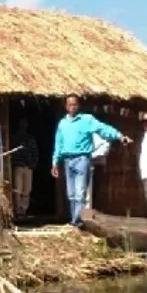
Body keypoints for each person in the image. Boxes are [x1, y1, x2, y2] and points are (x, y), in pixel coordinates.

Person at [51, 96, 131, 227]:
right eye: (70, 104)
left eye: (75, 104)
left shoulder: (86, 120)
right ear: (66, 106)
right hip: (67, 159)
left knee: (80, 192)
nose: (72, 107)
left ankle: (77, 221)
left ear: (78, 106)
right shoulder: (62, 123)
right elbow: (58, 144)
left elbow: (103, 128)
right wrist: (55, 162)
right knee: (71, 194)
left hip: (82, 158)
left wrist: (119, 136)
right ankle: (75, 218)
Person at [10, 118, 39, 219]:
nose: (23, 125)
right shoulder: (14, 137)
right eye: (21, 123)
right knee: (18, 189)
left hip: (28, 167)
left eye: (25, 123)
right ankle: (18, 210)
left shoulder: (30, 138)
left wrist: (33, 164)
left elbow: (35, 151)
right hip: (18, 166)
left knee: (27, 189)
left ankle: (24, 209)